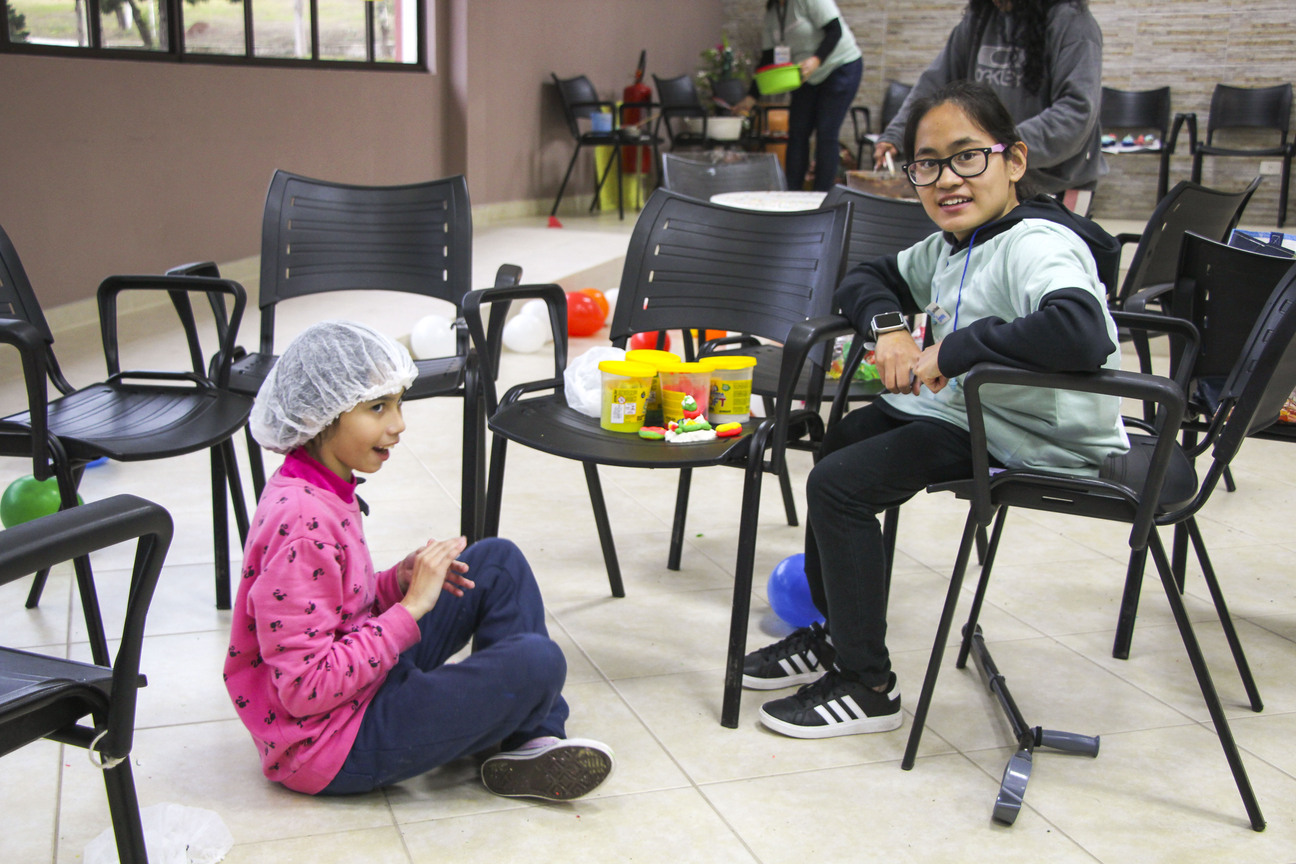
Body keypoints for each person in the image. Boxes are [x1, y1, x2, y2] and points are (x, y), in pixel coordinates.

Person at [743, 81, 1128, 738]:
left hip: (1034, 434)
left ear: (1014, 160)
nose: (948, 179)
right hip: (973, 413)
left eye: (968, 156)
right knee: (840, 444)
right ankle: (834, 635)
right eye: (927, 164)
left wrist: (955, 348)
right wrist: (890, 328)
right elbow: (865, 279)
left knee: (839, 487)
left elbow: (1080, 330)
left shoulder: (1036, 242)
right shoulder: (957, 241)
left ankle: (868, 685)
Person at [223, 321, 614, 799]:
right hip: (329, 742)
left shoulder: (320, 483)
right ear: (318, 415)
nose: (398, 424)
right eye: (377, 407)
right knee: (539, 663)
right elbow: (305, 690)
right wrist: (410, 609)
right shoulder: (304, 524)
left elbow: (334, 608)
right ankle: (523, 730)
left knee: (496, 561)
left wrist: (394, 583)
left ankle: (528, 742)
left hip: (362, 687)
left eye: (398, 403)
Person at [873, 0, 1105, 211]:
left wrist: (1000, 147)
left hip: (1057, 183)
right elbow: (934, 85)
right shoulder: (981, 17)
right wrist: (897, 134)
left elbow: (1076, 112)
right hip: (994, 176)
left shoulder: (1073, 23)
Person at [734, 0, 863, 192]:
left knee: (826, 132)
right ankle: (791, 193)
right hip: (804, 75)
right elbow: (768, 58)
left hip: (840, 66)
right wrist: (751, 97)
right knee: (797, 132)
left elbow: (835, 30)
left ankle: (822, 196)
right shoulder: (772, 14)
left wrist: (816, 59)